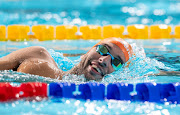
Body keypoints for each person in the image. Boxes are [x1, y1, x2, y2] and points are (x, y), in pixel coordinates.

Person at [0, 37, 133, 81]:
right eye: (103, 50)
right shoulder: (37, 55)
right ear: (90, 49)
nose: (104, 60)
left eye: (116, 62)